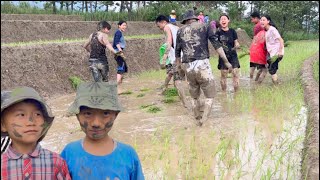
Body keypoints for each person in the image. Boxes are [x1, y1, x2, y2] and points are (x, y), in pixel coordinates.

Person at [61, 82, 145, 180]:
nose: (96, 123)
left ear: (115, 115)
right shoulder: (69, 153)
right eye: (88, 113)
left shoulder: (128, 154)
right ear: (77, 115)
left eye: (105, 113)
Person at [175, 10, 233, 126]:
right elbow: (216, 45)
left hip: (188, 66)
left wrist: (179, 69)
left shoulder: (180, 31)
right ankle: (204, 120)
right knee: (210, 95)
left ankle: (197, 118)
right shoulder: (205, 26)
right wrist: (227, 62)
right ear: (196, 19)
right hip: (202, 65)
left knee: (194, 96)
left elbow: (177, 52)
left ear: (185, 21)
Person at [1, 87, 71, 179]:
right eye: (21, 115)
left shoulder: (56, 162)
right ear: (3, 125)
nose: (31, 122)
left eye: (37, 114)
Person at [156, 15, 187, 107]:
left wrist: (164, 57)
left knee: (177, 81)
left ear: (163, 22)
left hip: (176, 58)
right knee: (185, 78)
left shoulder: (167, 27)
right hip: (184, 56)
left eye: (159, 26)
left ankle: (185, 103)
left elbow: (169, 41)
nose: (160, 28)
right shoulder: (177, 27)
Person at [216, 14, 241, 92]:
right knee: (224, 75)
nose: (223, 20)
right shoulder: (218, 32)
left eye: (225, 19)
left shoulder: (232, 31)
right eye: (221, 19)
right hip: (223, 56)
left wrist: (237, 45)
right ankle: (224, 93)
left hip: (233, 55)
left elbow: (236, 42)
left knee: (235, 73)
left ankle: (236, 93)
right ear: (220, 22)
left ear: (228, 20)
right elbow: (216, 45)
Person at [260, 14, 285, 84]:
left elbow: (281, 40)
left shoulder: (272, 29)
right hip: (271, 53)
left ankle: (276, 85)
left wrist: (280, 52)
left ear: (268, 21)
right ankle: (276, 82)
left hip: (276, 53)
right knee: (270, 66)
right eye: (261, 20)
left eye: (263, 20)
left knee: (272, 70)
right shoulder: (266, 31)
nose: (261, 21)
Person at [249, 11, 268, 83]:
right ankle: (256, 84)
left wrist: (251, 48)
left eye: (252, 19)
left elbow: (255, 38)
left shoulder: (257, 26)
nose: (251, 21)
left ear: (256, 18)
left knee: (253, 66)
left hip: (256, 49)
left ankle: (252, 81)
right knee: (264, 68)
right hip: (261, 49)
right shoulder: (263, 25)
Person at [113, 20, 128, 94]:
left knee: (124, 68)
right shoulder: (118, 32)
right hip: (118, 52)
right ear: (119, 25)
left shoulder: (119, 32)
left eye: (125, 25)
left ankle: (120, 86)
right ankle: (116, 88)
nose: (125, 27)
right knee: (121, 68)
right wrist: (120, 52)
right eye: (123, 25)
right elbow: (116, 42)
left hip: (119, 52)